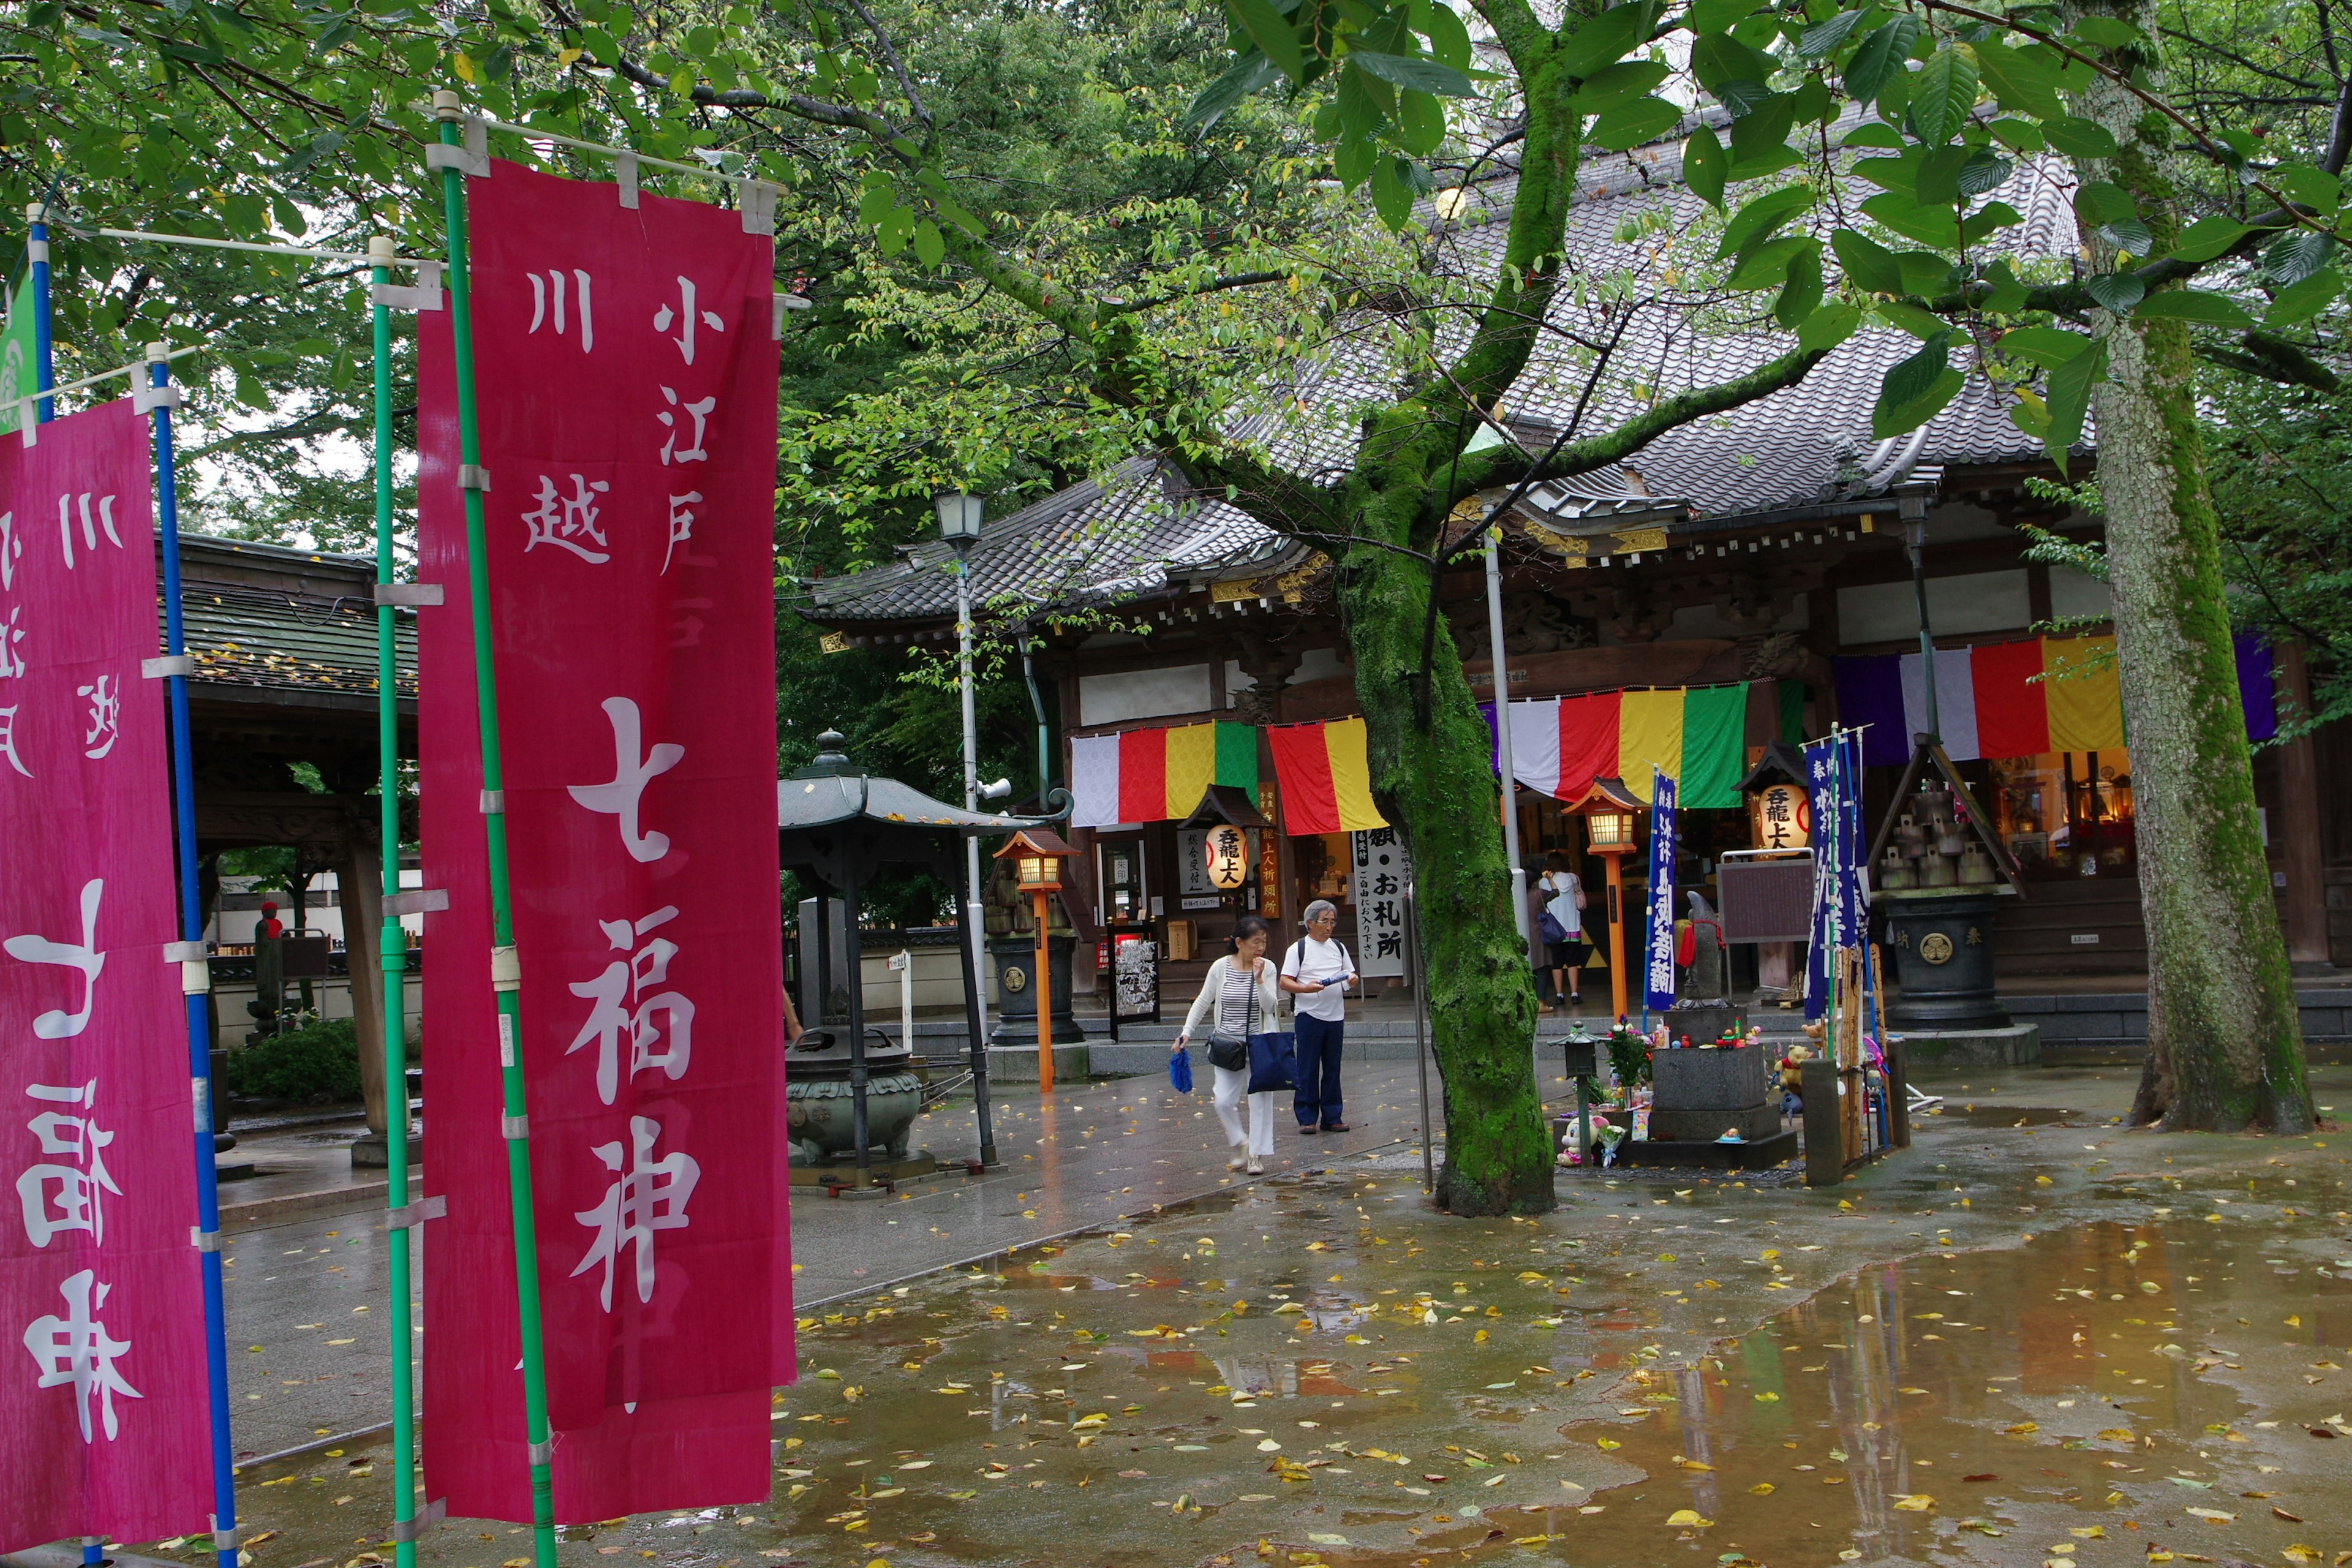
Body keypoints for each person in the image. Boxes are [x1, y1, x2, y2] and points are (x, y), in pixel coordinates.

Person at [1174, 913, 1284, 1175]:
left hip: (1260, 1044)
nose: (1260, 948)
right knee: (1222, 1100)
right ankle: (1239, 1142)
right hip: (1227, 1043)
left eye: (1264, 942)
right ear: (1239, 942)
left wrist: (1259, 980)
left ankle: (1257, 1154)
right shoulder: (1220, 967)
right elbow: (1203, 1001)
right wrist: (1186, 1032)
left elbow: (1271, 1007)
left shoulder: (1267, 968)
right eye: (1256, 942)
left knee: (1260, 1101)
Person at [1280, 900, 1356, 1134]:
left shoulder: (1339, 947)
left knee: (1333, 1067)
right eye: (1324, 921)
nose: (1329, 927)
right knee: (1308, 1067)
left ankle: (1333, 1116)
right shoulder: (1298, 949)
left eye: (1333, 922)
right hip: (1309, 1015)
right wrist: (1305, 989)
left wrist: (1353, 979)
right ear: (1310, 923)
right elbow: (1285, 981)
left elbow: (1350, 974)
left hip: (1335, 1016)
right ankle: (1307, 1116)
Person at [1537, 851, 1588, 1011]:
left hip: (1554, 930)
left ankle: (1559, 995)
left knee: (1557, 963)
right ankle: (1574, 994)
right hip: (1572, 925)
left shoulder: (1543, 882)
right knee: (1573, 962)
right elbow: (1578, 892)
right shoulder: (1573, 878)